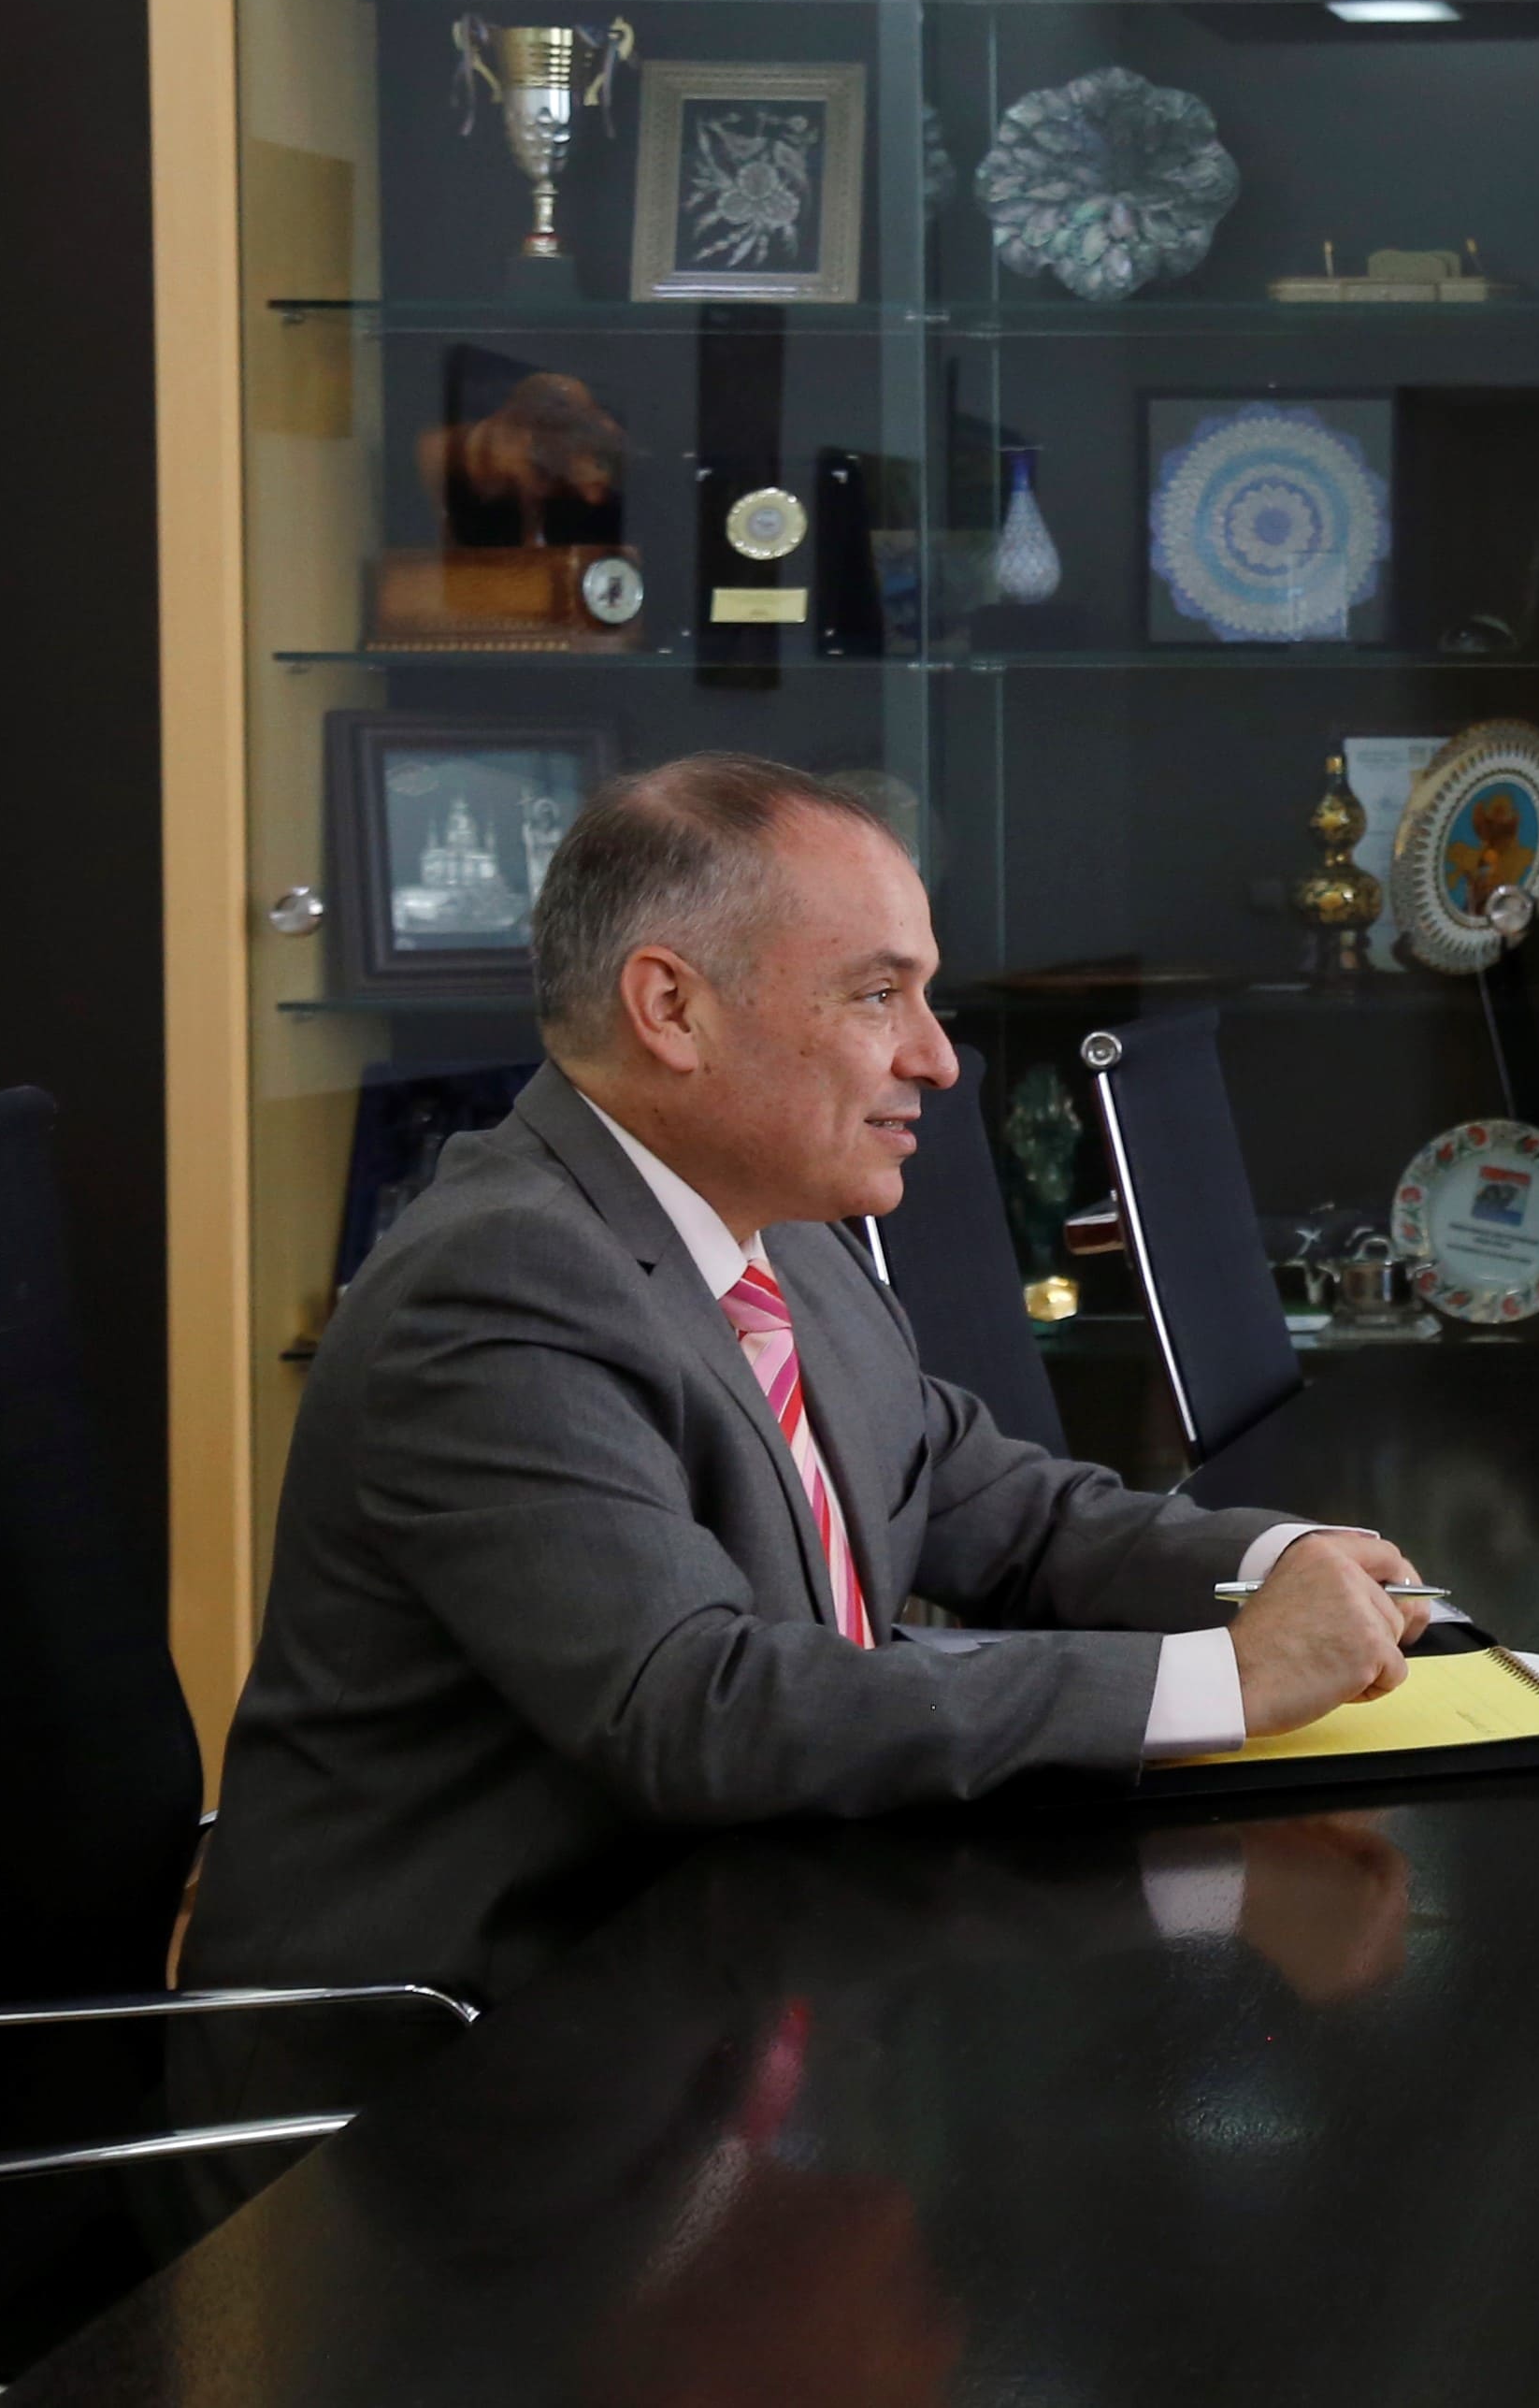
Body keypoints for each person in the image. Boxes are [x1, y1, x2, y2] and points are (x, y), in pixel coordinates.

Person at [187, 755, 1442, 1999]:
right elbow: (698, 1709)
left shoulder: (778, 1228)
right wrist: (1226, 1679)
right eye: (877, 995)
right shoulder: (501, 1283)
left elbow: (987, 1502)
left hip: (739, 1963)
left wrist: (1283, 1559)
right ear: (671, 1008)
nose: (938, 1058)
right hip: (476, 2050)